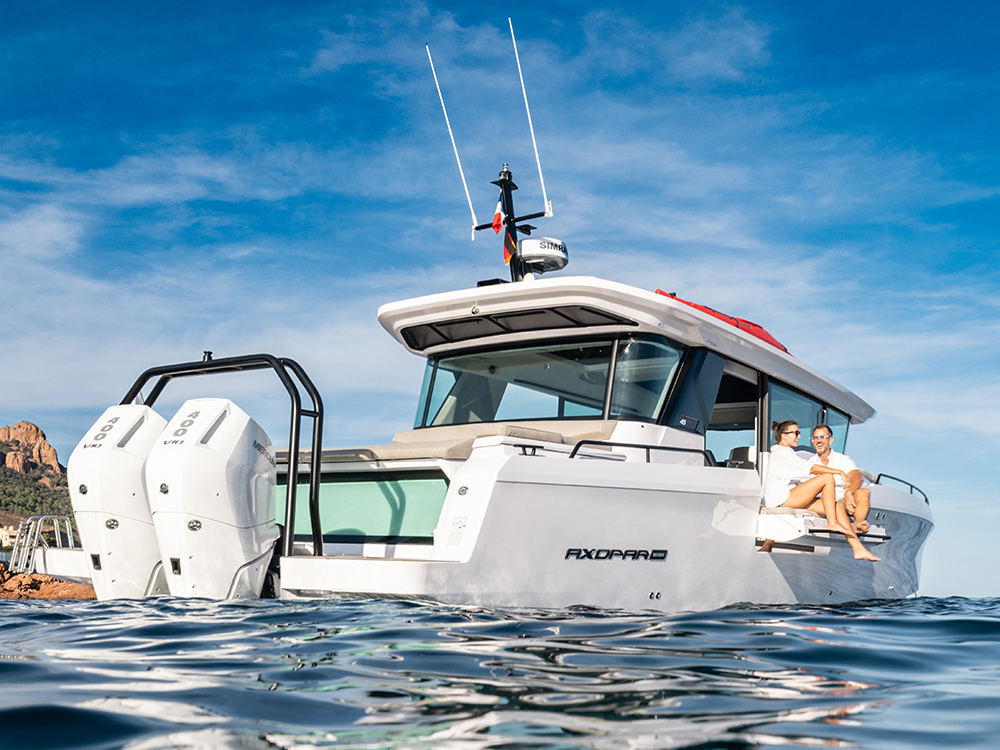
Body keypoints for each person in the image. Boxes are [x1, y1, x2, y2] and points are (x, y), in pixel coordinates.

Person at [763, 420, 879, 562]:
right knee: (827, 478)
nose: (799, 436)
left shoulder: (787, 453)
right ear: (783, 435)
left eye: (799, 433)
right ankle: (832, 523)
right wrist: (839, 472)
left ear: (830, 440)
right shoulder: (783, 453)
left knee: (837, 506)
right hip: (782, 499)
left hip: (788, 497)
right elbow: (811, 469)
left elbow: (855, 477)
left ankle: (858, 548)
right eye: (796, 433)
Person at [809, 425, 871, 533]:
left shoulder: (842, 460)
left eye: (822, 437)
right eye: (815, 438)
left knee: (864, 492)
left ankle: (857, 524)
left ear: (830, 440)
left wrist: (849, 493)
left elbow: (856, 476)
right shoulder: (810, 463)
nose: (818, 441)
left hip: (842, 499)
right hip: (822, 502)